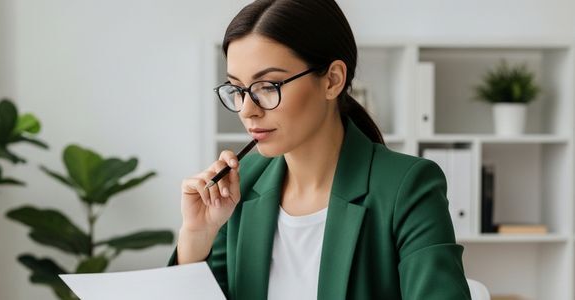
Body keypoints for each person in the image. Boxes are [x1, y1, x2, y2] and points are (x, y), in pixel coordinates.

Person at [168, 0, 472, 299]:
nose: (247, 110)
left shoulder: (407, 187)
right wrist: (197, 235)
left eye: (268, 86)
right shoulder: (239, 186)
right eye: (237, 89)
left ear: (332, 80)